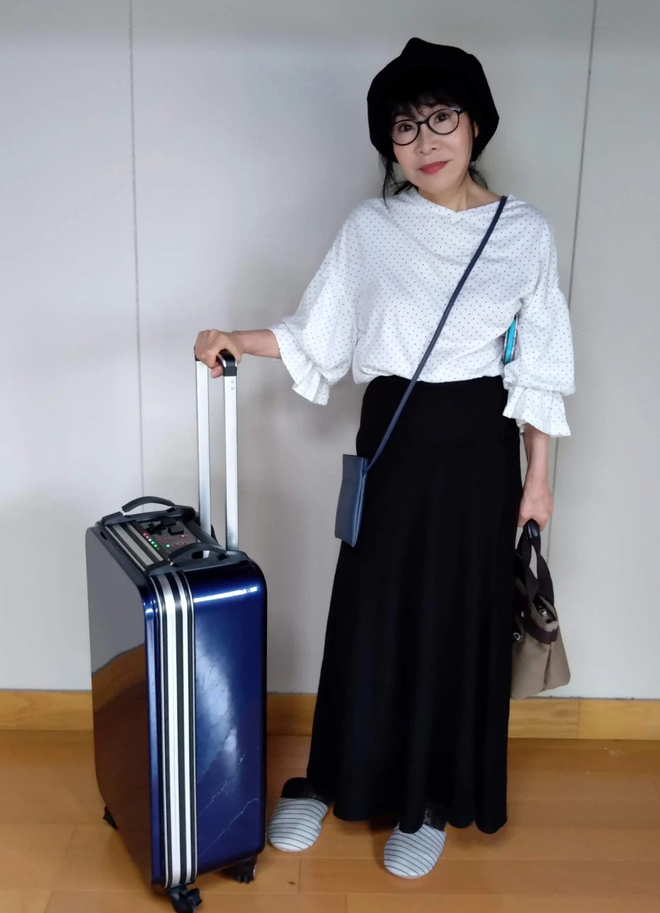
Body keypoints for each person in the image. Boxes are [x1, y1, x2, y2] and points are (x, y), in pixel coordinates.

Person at [194, 37, 575, 879]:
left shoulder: (525, 234)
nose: (425, 140)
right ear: (389, 145)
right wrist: (237, 340)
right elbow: (317, 330)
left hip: (479, 453)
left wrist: (539, 482)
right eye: (405, 127)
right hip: (394, 440)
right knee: (369, 612)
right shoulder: (372, 228)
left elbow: (540, 370)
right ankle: (335, 776)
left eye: (441, 118)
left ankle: (427, 798)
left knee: (454, 618)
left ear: (475, 125)